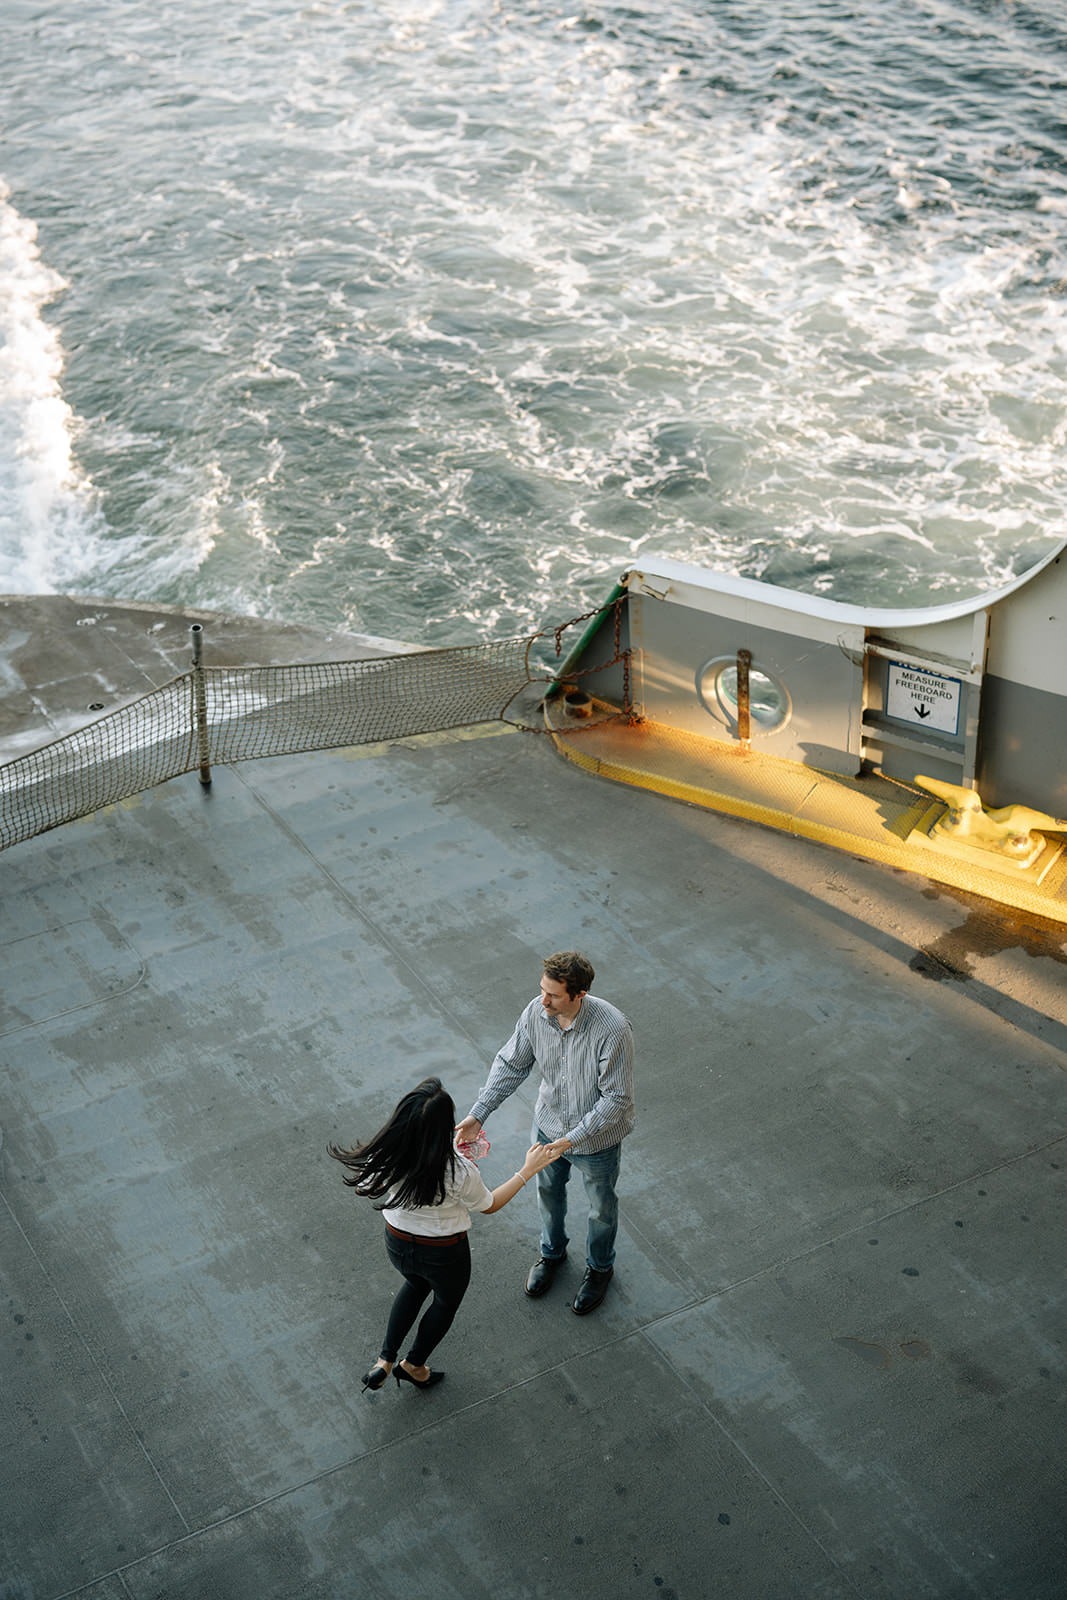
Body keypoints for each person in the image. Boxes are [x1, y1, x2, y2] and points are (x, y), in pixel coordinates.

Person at [328, 1077, 558, 1393]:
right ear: (442, 1129)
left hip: (397, 1243)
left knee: (414, 1283)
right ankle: (414, 1365)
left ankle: (385, 1359)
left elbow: (370, 1184)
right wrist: (527, 1170)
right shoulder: (457, 1170)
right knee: (445, 1303)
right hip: (444, 1254)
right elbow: (489, 1205)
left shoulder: (384, 1154)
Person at [455, 950, 635, 1316]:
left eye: (553, 994)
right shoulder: (536, 1013)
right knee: (548, 1192)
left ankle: (600, 1268)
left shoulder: (613, 1029)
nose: (543, 1000)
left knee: (601, 1207)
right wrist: (479, 1113)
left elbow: (617, 1098)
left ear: (579, 995)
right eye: (542, 990)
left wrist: (574, 1138)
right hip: (548, 1126)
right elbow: (512, 1063)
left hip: (595, 1141)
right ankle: (551, 1254)